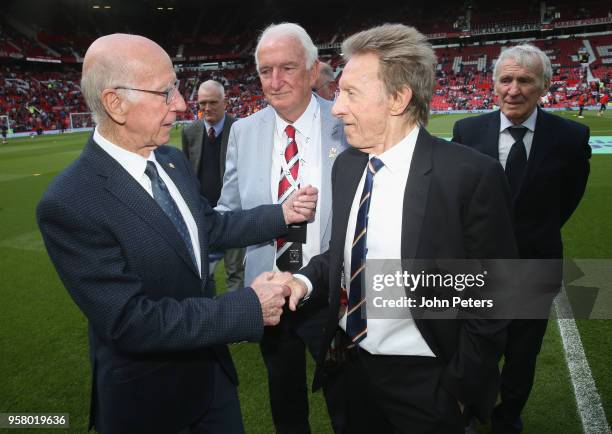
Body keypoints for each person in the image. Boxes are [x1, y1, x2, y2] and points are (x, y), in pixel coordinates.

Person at [36, 33, 318, 434]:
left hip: (212, 384)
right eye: (165, 92)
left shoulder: (169, 160)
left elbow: (209, 226)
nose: (182, 104)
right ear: (116, 104)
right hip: (150, 404)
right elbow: (130, 320)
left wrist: (280, 214)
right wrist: (247, 307)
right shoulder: (70, 202)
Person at [284, 24, 518, 434]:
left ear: (398, 98)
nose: (336, 107)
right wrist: (302, 283)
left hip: (428, 383)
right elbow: (345, 255)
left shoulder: (468, 175)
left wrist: (459, 386)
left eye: (350, 93)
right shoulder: (348, 165)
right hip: (349, 370)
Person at [452, 44, 591, 434]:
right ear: (494, 83)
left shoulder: (570, 137)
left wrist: (533, 233)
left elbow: (569, 198)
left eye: (525, 80)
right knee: (474, 347)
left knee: (522, 352)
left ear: (544, 85)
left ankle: (507, 418)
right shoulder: (468, 131)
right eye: (506, 79)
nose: (513, 89)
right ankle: (468, 411)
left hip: (535, 263)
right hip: (475, 267)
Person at [216, 22, 347, 434]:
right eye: (265, 71)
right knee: (285, 400)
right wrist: (194, 259)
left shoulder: (347, 122)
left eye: (287, 68)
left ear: (312, 70)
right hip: (269, 293)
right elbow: (229, 209)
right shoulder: (243, 131)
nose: (275, 81)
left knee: (347, 398)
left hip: (333, 291)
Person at [182, 80, 245, 292]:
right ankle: (210, 317)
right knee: (203, 273)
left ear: (224, 102)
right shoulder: (190, 132)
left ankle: (236, 319)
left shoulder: (240, 130)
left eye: (212, 102)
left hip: (234, 216)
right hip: (204, 217)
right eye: (202, 103)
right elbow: (186, 173)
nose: (207, 108)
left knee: (235, 271)